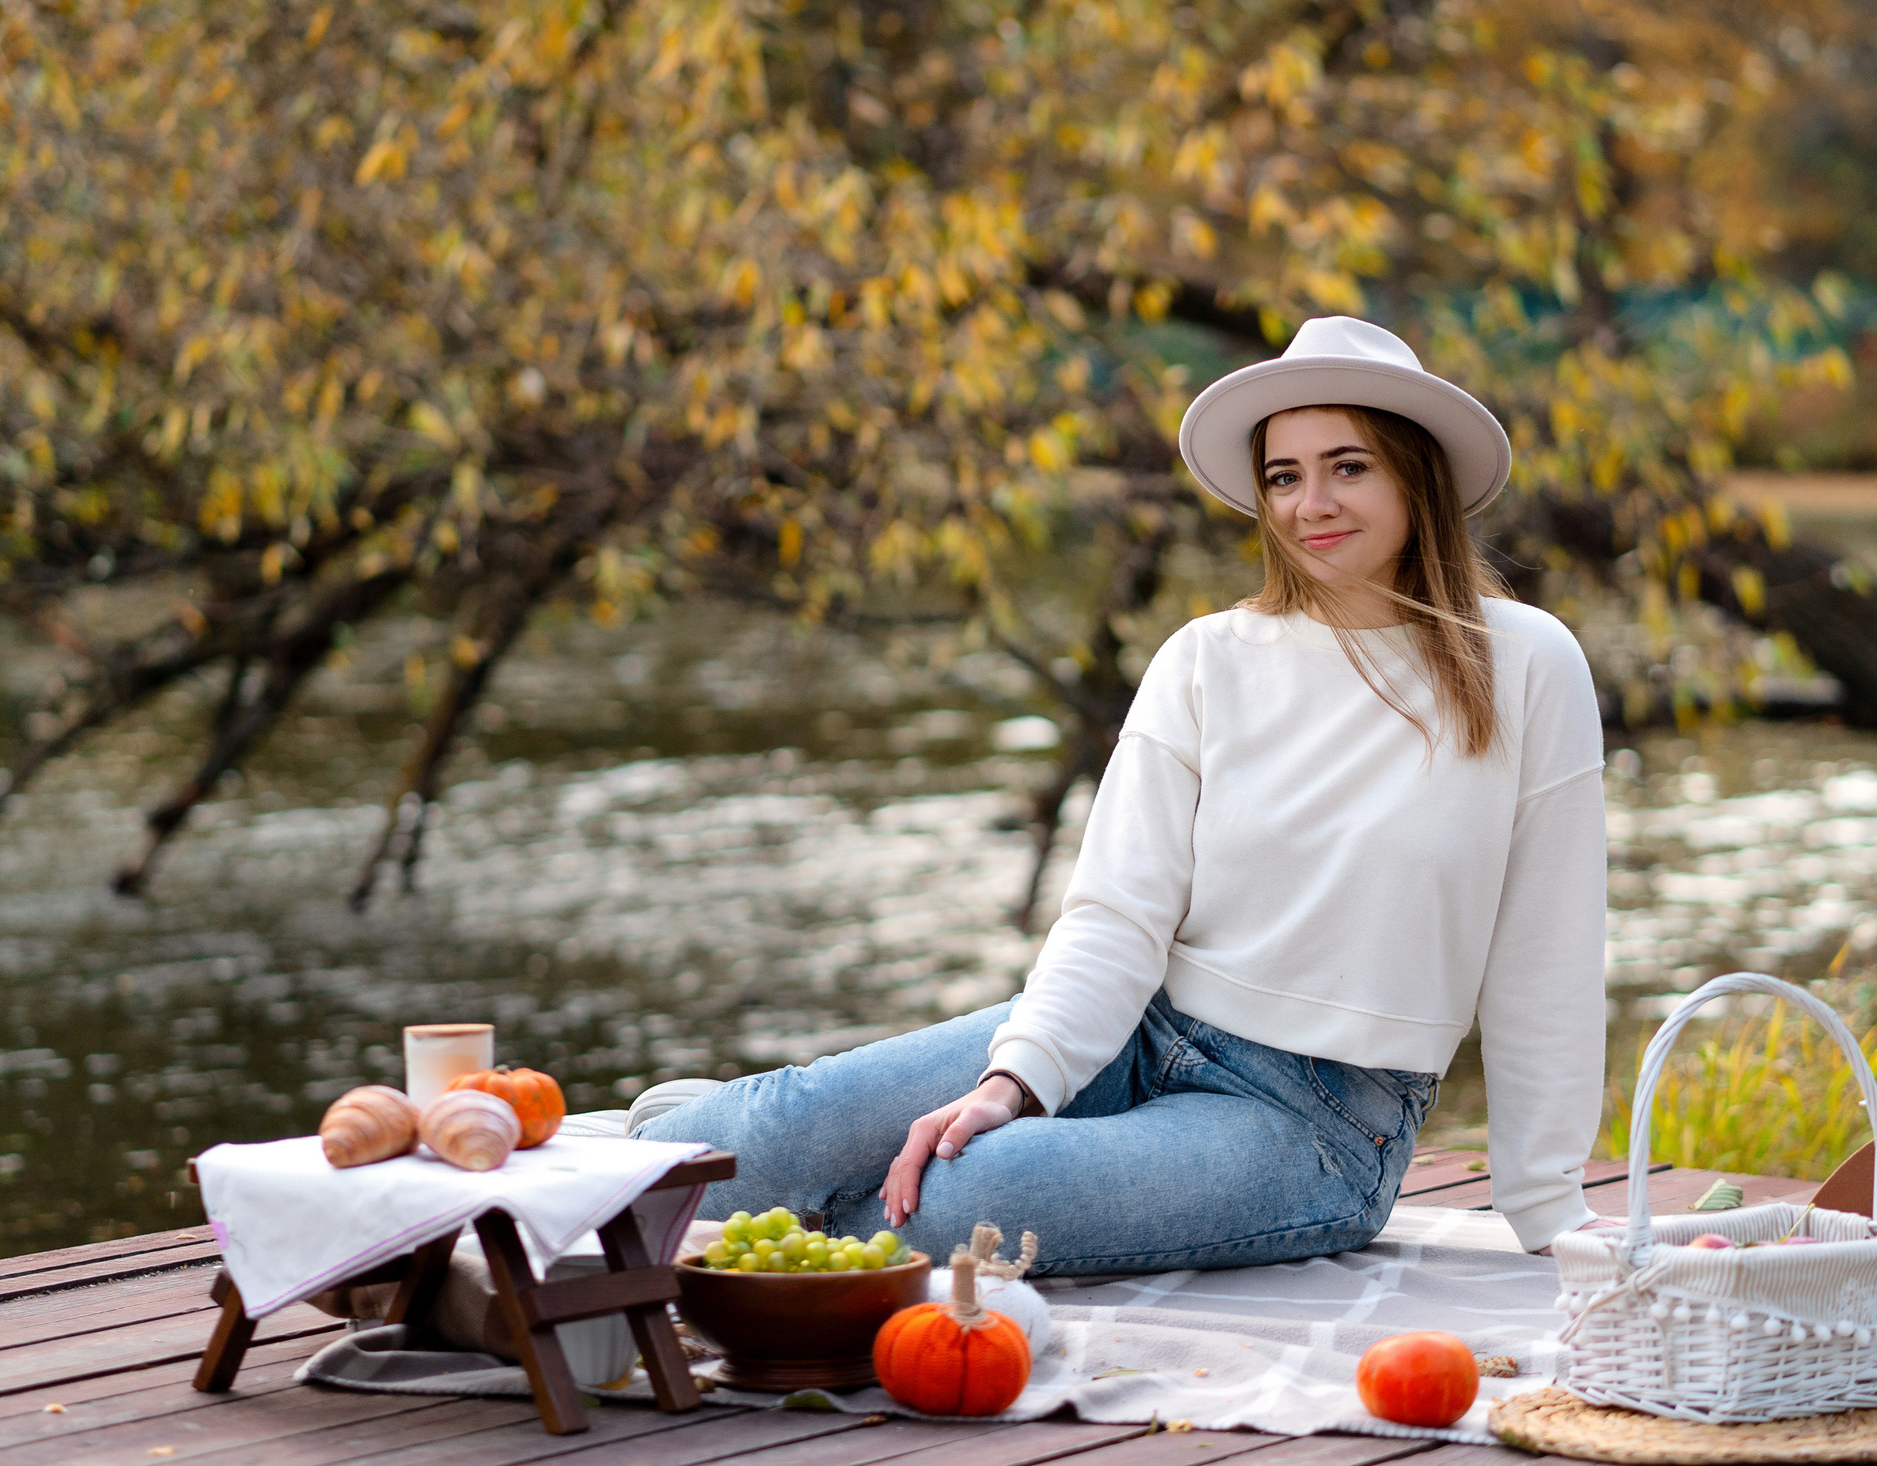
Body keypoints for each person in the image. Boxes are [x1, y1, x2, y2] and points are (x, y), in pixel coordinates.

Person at [633, 316, 1608, 1274]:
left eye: (1347, 466)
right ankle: (660, 1167)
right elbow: (1117, 913)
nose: (1310, 503)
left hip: (1316, 1123)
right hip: (1137, 1026)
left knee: (967, 1201)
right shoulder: (1207, 658)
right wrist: (1015, 1080)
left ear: (1414, 474)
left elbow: (1548, 953)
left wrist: (1545, 1202)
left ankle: (761, 1196)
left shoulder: (1524, 663)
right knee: (772, 1130)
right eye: (1283, 476)